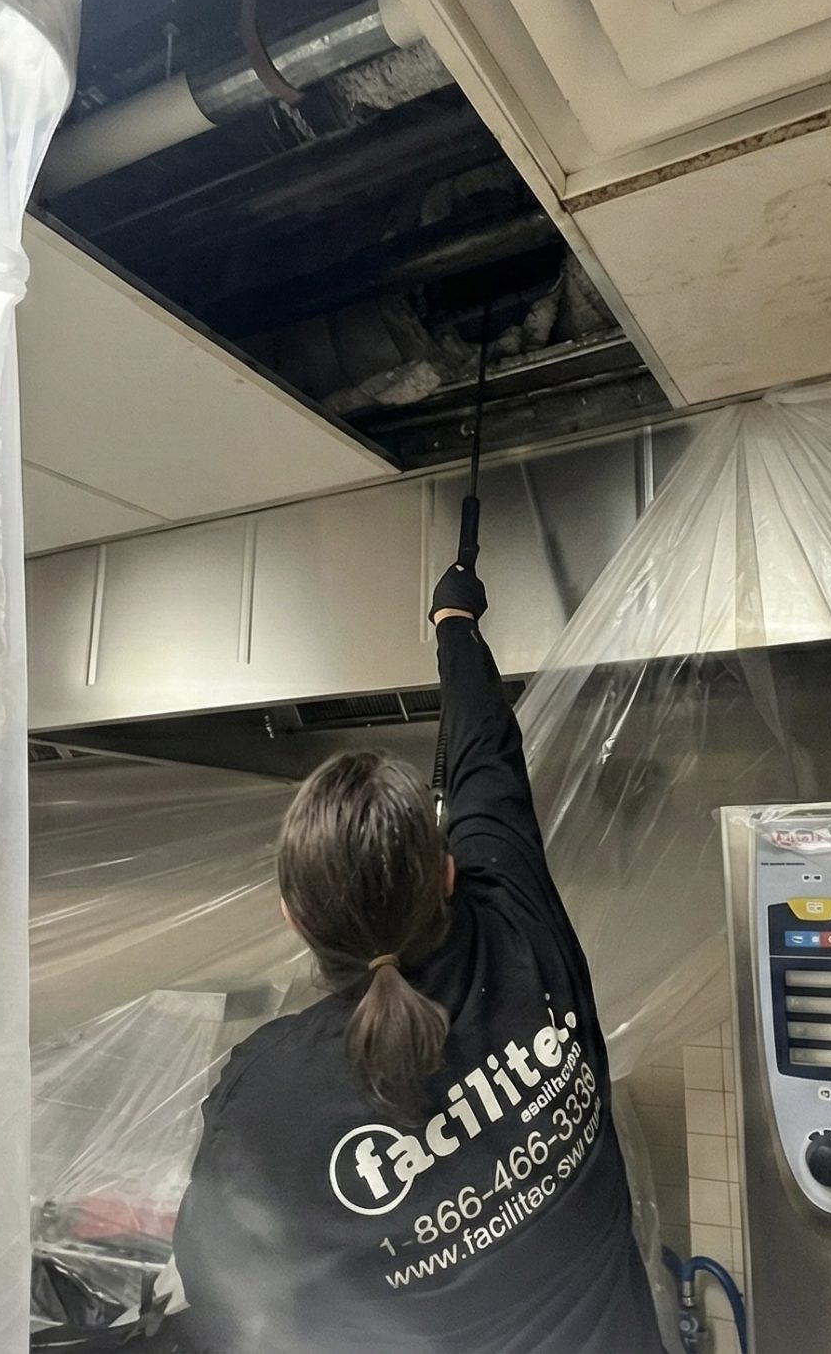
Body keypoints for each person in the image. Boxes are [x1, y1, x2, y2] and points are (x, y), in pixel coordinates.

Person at [167, 560, 664, 1353]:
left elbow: (220, 1292)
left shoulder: (264, 1099)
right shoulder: (521, 926)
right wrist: (454, 625)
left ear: (294, 917)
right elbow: (486, 756)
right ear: (449, 873)